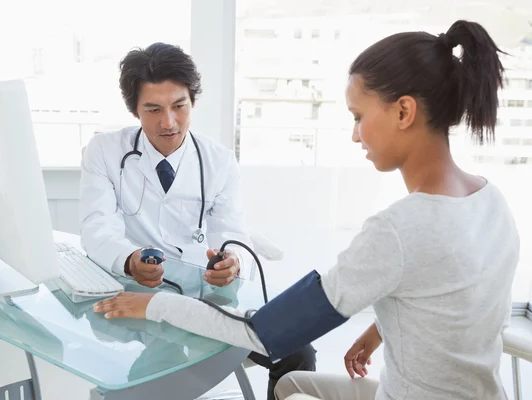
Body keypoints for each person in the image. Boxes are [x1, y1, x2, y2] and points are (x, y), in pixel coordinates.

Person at [93, 20, 520, 400]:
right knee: (290, 383)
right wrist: (376, 333)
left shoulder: (397, 229)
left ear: (404, 111)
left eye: (358, 116)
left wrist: (152, 306)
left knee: (289, 363)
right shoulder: (491, 201)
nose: (356, 135)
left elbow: (264, 332)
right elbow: (457, 301)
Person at [79, 42, 316, 400]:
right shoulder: (105, 152)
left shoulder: (218, 161)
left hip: (204, 300)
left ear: (192, 102)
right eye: (154, 109)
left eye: (179, 106)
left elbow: (232, 234)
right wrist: (129, 261)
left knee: (297, 349)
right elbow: (96, 228)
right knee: (151, 378)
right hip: (137, 295)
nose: (169, 122)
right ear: (135, 111)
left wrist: (231, 263)